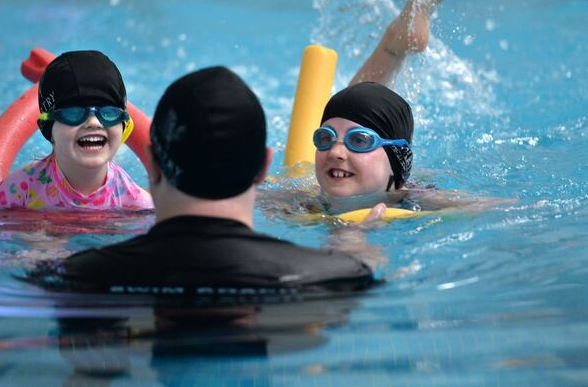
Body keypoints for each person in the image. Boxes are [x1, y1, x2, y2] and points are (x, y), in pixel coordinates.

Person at [26, 66, 376, 294]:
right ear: (262, 169)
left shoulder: (73, 278)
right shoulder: (336, 277)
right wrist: (353, 240)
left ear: (152, 166)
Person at [313, 0, 465, 221]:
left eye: (359, 141)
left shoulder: (421, 201)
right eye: (324, 138)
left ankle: (397, 41)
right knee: (352, 107)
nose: (335, 152)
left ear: (397, 162)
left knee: (357, 108)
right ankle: (398, 40)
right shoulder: (302, 198)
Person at [0, 50, 153, 213]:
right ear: (47, 129)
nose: (94, 122)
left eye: (108, 113)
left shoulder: (132, 199)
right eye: (73, 113)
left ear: (124, 125)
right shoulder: (23, 189)